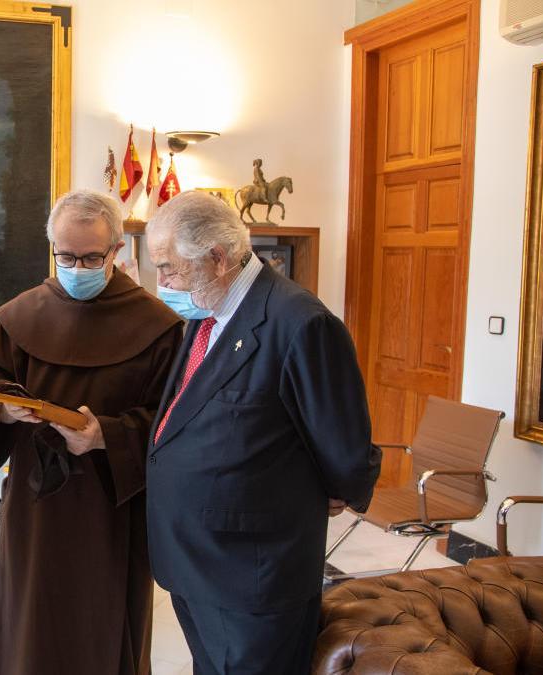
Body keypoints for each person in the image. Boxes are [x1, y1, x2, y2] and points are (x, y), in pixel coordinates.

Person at [144, 192, 381, 675]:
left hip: (251, 574)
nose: (161, 282)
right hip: (197, 562)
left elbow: (345, 446)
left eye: (168, 267)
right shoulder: (208, 309)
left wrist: (333, 490)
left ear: (217, 257)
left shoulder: (301, 322)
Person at [0, 189, 183, 675]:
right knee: (33, 621)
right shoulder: (23, 313)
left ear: (117, 251)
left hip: (112, 502)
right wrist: (5, 412)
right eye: (67, 256)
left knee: (103, 625)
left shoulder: (157, 324)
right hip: (36, 500)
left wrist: (105, 434)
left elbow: (174, 420)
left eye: (91, 257)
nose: (78, 267)